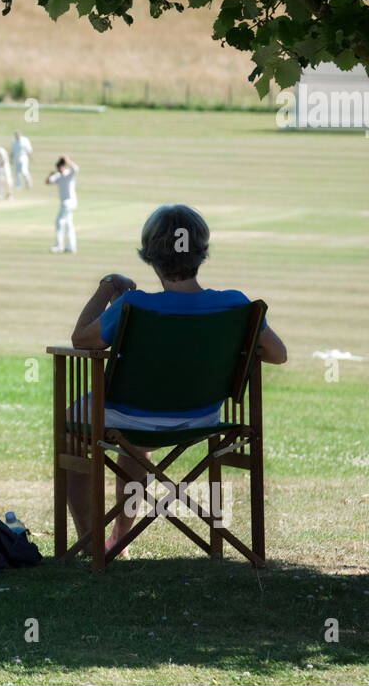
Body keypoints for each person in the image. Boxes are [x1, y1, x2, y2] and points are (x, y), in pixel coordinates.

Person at [66, 204, 287, 558]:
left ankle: (91, 541)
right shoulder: (235, 305)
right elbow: (278, 354)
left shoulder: (132, 305)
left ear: (150, 257)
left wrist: (108, 287)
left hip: (131, 416)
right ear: (201, 253)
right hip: (203, 418)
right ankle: (120, 538)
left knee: (74, 427)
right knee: (135, 442)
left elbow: (81, 339)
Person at [46, 155, 78, 252]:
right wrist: (50, 175)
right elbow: (47, 182)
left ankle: (59, 245)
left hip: (69, 202)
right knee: (68, 224)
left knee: (59, 222)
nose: (59, 169)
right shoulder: (58, 176)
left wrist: (68, 161)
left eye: (61, 167)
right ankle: (71, 247)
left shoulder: (68, 174)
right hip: (64, 203)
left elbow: (76, 168)